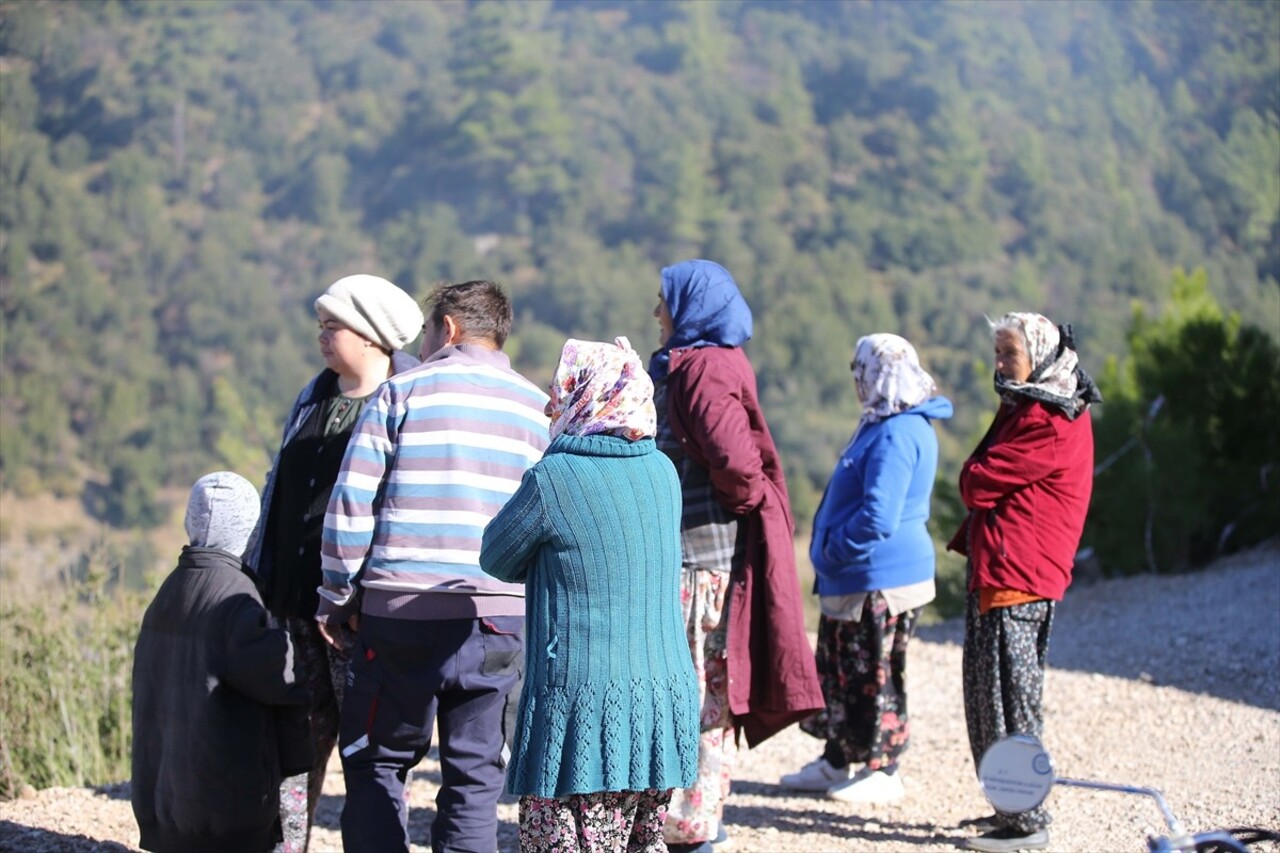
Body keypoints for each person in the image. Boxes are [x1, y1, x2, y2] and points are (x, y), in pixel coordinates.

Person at [317, 279, 550, 853]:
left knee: (376, 762)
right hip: (498, 621)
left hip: (401, 615)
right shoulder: (538, 408)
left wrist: (338, 595)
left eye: (426, 333)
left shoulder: (402, 393)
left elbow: (351, 504)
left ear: (447, 329)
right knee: (474, 777)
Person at [479, 336, 700, 852]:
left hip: (581, 706)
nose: (550, 403)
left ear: (586, 395)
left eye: (561, 389)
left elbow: (495, 556)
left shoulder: (554, 477)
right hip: (659, 697)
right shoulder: (663, 471)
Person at [648, 259, 825, 853]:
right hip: (696, 557)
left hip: (701, 563)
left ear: (691, 308)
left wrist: (737, 498)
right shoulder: (700, 364)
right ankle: (692, 822)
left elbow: (736, 465)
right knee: (698, 691)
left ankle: (691, 827)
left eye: (665, 302)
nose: (657, 313)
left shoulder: (703, 370)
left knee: (694, 692)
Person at [246, 273, 423, 852]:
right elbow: (280, 487)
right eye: (321, 326)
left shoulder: (402, 401)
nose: (322, 337)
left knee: (367, 749)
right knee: (291, 743)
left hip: (358, 614)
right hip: (294, 603)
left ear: (372, 338)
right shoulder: (314, 396)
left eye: (334, 327)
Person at [948, 312, 1099, 853]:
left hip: (1019, 576)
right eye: (998, 354)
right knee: (989, 698)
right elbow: (979, 478)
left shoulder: (1048, 419)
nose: (999, 365)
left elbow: (976, 480)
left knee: (1010, 703)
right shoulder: (1031, 407)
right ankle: (1011, 811)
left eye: (1009, 354)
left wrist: (974, 472)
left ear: (1039, 355)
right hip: (1004, 573)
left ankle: (1028, 821)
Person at [782, 334, 953, 804]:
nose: (857, 380)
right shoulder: (884, 421)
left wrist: (831, 550)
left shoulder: (898, 431)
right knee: (842, 671)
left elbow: (880, 516)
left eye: (862, 369)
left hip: (880, 577)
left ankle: (884, 768)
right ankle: (838, 761)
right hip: (858, 577)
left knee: (875, 673)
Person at [132, 472, 311, 853]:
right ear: (248, 528)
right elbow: (279, 678)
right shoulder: (236, 597)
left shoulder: (169, 590)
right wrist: (292, 648)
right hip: (224, 808)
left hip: (166, 800)